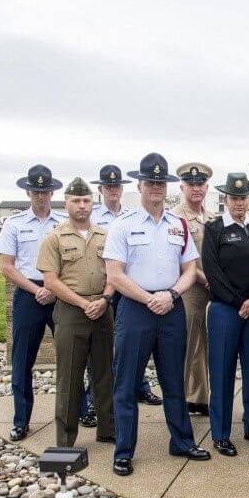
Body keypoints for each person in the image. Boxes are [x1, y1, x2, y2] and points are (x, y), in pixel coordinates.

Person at [103, 153, 210, 476]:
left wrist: (173, 294)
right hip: (136, 308)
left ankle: (181, 440)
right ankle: (124, 451)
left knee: (173, 379)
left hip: (171, 305)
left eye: (161, 183)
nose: (156, 188)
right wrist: (150, 299)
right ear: (140, 185)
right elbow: (114, 274)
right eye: (151, 182)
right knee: (126, 383)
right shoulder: (124, 225)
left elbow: (190, 267)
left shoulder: (178, 225)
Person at [36, 177, 116, 447]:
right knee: (69, 378)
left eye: (86, 201)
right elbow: (51, 281)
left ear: (93, 202)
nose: (82, 206)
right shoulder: (54, 238)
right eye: (75, 201)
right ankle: (66, 439)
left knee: (105, 374)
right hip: (72, 312)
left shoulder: (106, 235)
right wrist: (84, 304)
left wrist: (105, 299)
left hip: (103, 310)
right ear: (66, 203)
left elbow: (115, 273)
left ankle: (108, 429)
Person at [0, 164, 66, 441]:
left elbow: (69, 262)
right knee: (22, 360)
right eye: (36, 191)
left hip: (58, 292)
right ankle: (21, 420)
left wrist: (52, 288)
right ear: (28, 192)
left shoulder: (62, 223)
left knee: (72, 355)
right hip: (28, 293)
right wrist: (36, 290)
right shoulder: (14, 224)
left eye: (45, 191)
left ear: (52, 192)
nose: (41, 195)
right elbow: (7, 266)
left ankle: (81, 410)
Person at [201, 172, 249, 457]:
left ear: (248, 199)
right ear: (225, 199)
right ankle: (220, 433)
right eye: (233, 198)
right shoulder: (214, 229)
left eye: (242, 198)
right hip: (225, 310)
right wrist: (239, 301)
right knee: (222, 372)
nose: (239, 203)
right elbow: (212, 271)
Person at [90, 164, 161, 409]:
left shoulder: (131, 216)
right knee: (101, 346)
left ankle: (141, 387)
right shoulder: (91, 217)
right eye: (108, 186)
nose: (113, 190)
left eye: (116, 186)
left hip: (127, 287)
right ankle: (95, 398)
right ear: (100, 189)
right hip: (101, 285)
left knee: (132, 343)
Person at [173, 162, 215, 417]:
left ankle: (198, 397)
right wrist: (203, 277)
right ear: (182, 187)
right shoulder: (176, 218)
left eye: (200, 184)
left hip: (210, 288)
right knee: (186, 344)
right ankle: (177, 400)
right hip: (190, 288)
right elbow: (177, 257)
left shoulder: (210, 218)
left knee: (205, 344)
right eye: (191, 184)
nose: (196, 188)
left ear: (207, 187)